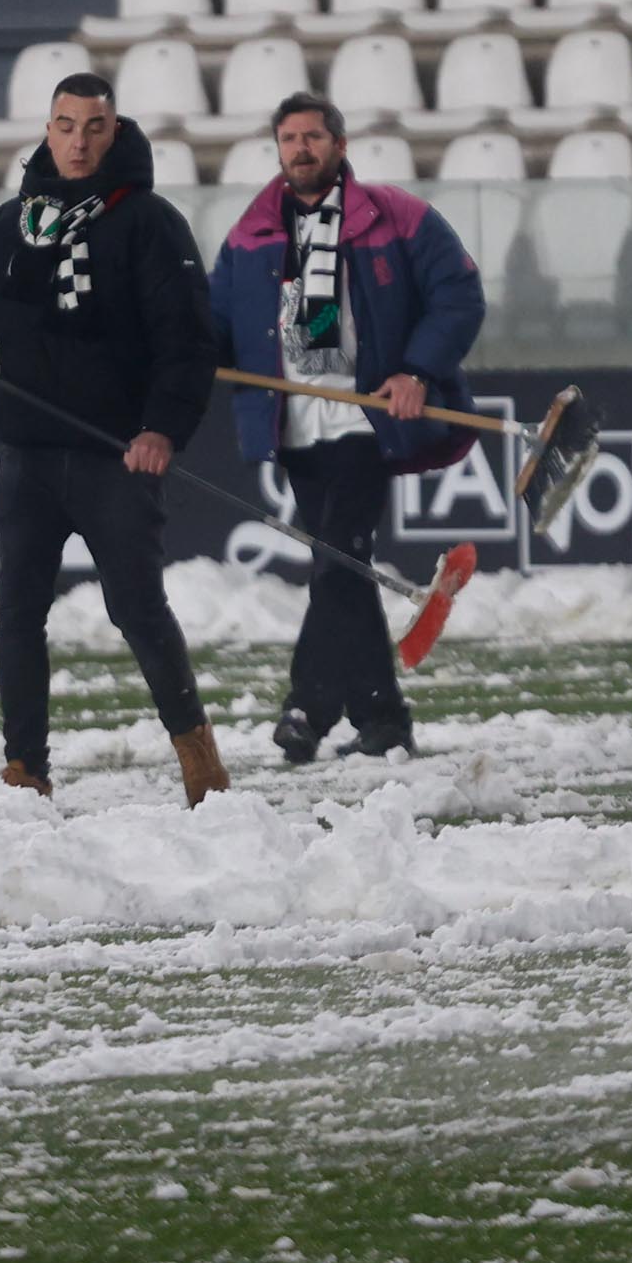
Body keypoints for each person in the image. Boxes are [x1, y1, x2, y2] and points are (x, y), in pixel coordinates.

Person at [0, 75, 226, 807]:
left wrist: (163, 428)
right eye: (66, 125)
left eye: (95, 126)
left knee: (136, 608)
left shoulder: (151, 221)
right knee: (18, 612)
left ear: (116, 131)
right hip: (27, 455)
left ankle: (198, 755)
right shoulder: (19, 218)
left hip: (117, 457)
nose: (79, 141)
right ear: (47, 131)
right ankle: (25, 768)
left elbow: (189, 342)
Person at [208, 93, 486, 765]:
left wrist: (418, 370)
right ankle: (384, 717)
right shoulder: (250, 232)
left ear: (339, 142)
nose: (300, 149)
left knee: (336, 557)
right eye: (288, 138)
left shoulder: (398, 214)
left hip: (367, 418)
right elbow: (213, 322)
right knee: (345, 568)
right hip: (296, 423)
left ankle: (306, 707)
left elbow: (459, 293)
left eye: (312, 136)